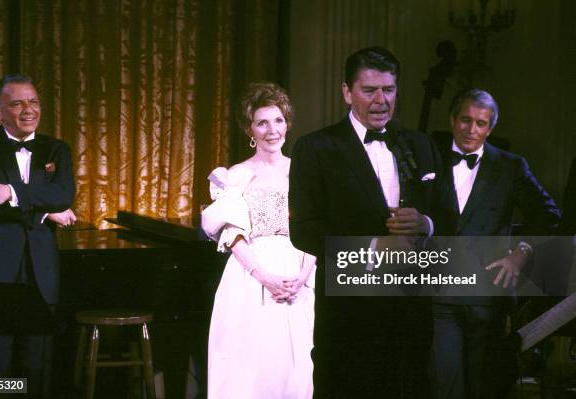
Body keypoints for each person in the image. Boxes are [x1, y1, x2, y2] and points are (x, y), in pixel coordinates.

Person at [289, 46, 443, 398]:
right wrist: (374, 247)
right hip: (349, 312)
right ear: (347, 92)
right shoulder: (316, 147)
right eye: (369, 90)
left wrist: (426, 224)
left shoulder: (421, 145)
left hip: (411, 308)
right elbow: (304, 230)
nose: (381, 100)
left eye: (388, 90)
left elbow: (447, 214)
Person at [431, 88, 561, 399]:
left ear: (491, 128)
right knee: (443, 384)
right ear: (452, 119)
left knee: (483, 385)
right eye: (465, 120)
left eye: (480, 123)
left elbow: (548, 214)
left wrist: (521, 253)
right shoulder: (429, 156)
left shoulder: (510, 166)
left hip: (486, 293)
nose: (471, 130)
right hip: (438, 291)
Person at [201, 82, 316, 399]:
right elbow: (233, 234)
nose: (272, 130)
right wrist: (264, 277)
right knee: (253, 369)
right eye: (262, 122)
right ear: (250, 129)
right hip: (251, 277)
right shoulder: (235, 175)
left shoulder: (303, 172)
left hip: (300, 274)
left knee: (299, 369)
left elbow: (317, 228)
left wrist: (302, 277)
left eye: (278, 120)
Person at [0, 74, 76, 395]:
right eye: (17, 103)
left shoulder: (57, 149)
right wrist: (44, 209)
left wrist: (10, 192)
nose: (29, 110)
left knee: (36, 367)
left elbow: (63, 195)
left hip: (41, 269)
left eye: (34, 102)